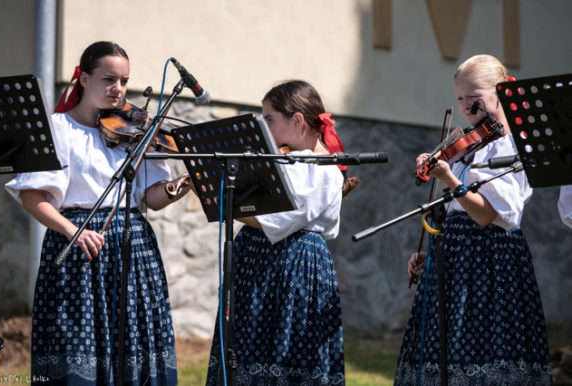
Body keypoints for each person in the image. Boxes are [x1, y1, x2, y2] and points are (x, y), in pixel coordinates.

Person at [5, 41, 189, 385]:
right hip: (79, 244)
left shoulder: (134, 131)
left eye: (124, 81)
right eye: (108, 79)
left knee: (134, 344)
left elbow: (151, 196)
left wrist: (181, 184)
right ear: (84, 79)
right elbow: (33, 197)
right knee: (77, 346)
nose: (118, 89)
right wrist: (72, 231)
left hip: (133, 245)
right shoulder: (59, 129)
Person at [394, 54, 553, 385]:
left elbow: (485, 214)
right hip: (456, 257)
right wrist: (434, 252)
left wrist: (450, 179)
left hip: (491, 261)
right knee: (445, 355)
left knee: (483, 352)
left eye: (474, 97)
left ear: (500, 92)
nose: (466, 106)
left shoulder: (509, 146)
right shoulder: (471, 145)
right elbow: (458, 210)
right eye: (460, 99)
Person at [205, 80, 358, 385]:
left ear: (297, 120)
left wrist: (222, 204)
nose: (265, 129)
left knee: (288, 353)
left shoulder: (325, 169)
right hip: (256, 261)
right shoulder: (281, 159)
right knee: (247, 350)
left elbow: (275, 220)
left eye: (270, 120)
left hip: (296, 266)